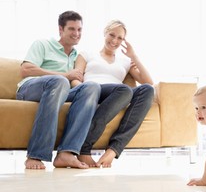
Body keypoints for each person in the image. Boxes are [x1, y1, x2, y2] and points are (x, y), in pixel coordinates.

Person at [16, 11, 101, 170]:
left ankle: (67, 153)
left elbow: (75, 82)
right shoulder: (43, 44)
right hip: (30, 89)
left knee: (92, 87)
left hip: (59, 91)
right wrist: (64, 75)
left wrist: (85, 91)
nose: (76, 33)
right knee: (60, 81)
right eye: (71, 29)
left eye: (79, 30)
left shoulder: (76, 56)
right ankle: (36, 154)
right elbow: (25, 70)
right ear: (60, 30)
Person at [72, 20, 154, 168]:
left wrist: (134, 56)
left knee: (148, 91)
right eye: (112, 35)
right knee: (124, 90)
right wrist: (85, 93)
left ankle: (113, 150)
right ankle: (84, 147)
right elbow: (75, 79)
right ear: (105, 33)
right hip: (93, 90)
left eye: (120, 38)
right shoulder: (86, 54)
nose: (114, 40)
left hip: (119, 95)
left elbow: (148, 82)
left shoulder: (126, 61)